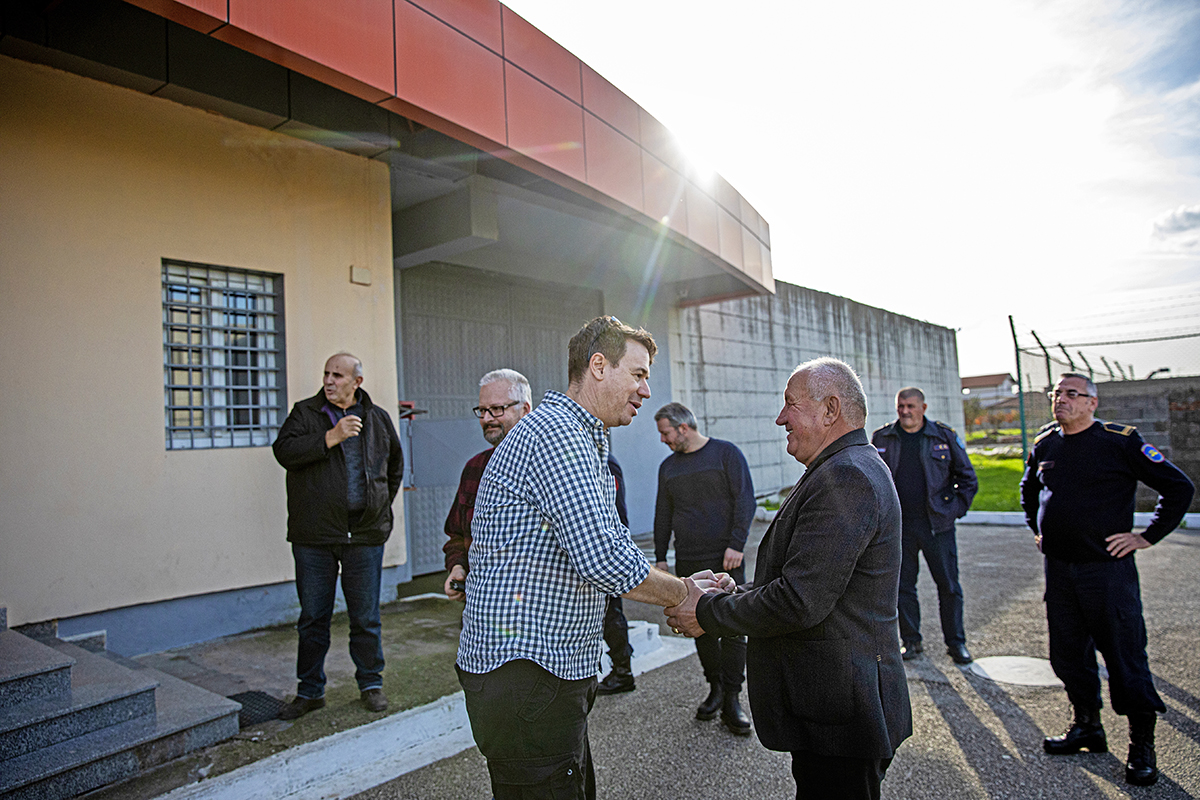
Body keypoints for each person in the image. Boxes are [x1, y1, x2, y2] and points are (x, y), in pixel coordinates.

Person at [456, 316, 694, 800]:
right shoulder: (559, 435)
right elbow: (604, 558)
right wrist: (687, 595)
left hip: (545, 674)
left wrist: (681, 582)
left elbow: (611, 538)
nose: (646, 391)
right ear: (599, 366)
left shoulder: (582, 436)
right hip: (525, 674)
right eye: (640, 373)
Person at [666, 358, 912, 800]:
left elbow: (800, 600)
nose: (780, 418)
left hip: (842, 711)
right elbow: (814, 581)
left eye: (790, 405)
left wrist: (707, 610)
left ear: (830, 409)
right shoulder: (840, 467)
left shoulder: (847, 476)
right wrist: (739, 592)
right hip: (836, 705)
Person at [1020, 372, 1194, 787]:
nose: (1061, 400)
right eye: (1056, 394)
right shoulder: (1046, 443)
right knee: (1067, 656)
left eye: (1071, 394)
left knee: (1124, 657)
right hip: (1060, 571)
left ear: (1092, 403)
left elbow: (1179, 487)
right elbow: (1029, 490)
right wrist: (1037, 529)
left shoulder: (1120, 441)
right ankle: (1088, 728)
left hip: (1106, 572)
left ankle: (1141, 747)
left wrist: (1146, 536)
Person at [272, 353, 404, 719]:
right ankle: (310, 690)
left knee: (365, 617)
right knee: (314, 617)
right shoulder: (305, 413)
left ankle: (371, 683)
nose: (329, 381)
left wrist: (378, 507)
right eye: (326, 374)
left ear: (356, 382)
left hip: (364, 535)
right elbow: (284, 452)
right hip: (314, 536)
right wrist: (330, 437)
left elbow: (393, 466)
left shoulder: (376, 418)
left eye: (338, 375)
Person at [653, 402, 755, 733]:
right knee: (698, 625)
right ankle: (715, 689)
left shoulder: (726, 454)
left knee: (734, 628)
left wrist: (737, 544)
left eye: (666, 433)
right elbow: (662, 514)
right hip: (688, 560)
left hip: (726, 559)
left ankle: (733, 699)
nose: (663, 440)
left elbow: (745, 500)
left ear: (683, 428)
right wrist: (660, 557)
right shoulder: (668, 467)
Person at [871, 386, 978, 665]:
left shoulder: (942, 436)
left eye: (910, 406)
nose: (905, 411)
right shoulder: (883, 437)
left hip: (936, 528)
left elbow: (967, 478)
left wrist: (953, 511)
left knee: (949, 587)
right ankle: (912, 642)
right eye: (901, 406)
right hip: (899, 529)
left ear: (923, 409)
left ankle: (957, 644)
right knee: (903, 587)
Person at [442, 369, 533, 603]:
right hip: (481, 609)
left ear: (525, 410)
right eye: (482, 411)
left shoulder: (549, 467)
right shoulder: (474, 468)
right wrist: (458, 567)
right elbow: (456, 535)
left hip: (536, 613)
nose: (487, 419)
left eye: (497, 409)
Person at [596, 455, 637, 695]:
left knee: (611, 614)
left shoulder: (605, 463)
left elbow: (617, 514)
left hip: (604, 554)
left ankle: (623, 672)